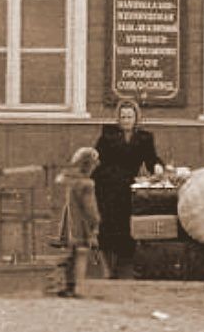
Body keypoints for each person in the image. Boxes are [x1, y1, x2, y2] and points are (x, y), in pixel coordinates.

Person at [92, 97, 162, 279]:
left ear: (136, 118)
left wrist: (157, 167)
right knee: (107, 225)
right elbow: (96, 158)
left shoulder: (145, 138)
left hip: (127, 186)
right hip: (106, 185)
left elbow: (151, 159)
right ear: (118, 118)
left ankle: (123, 267)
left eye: (129, 117)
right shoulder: (108, 135)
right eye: (122, 117)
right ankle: (106, 268)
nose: (126, 121)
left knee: (125, 225)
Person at [52, 146, 101, 298]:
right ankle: (75, 288)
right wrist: (95, 223)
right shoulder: (86, 184)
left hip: (63, 225)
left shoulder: (63, 180)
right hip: (79, 225)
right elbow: (90, 209)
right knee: (79, 256)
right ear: (88, 164)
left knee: (68, 256)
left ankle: (63, 286)